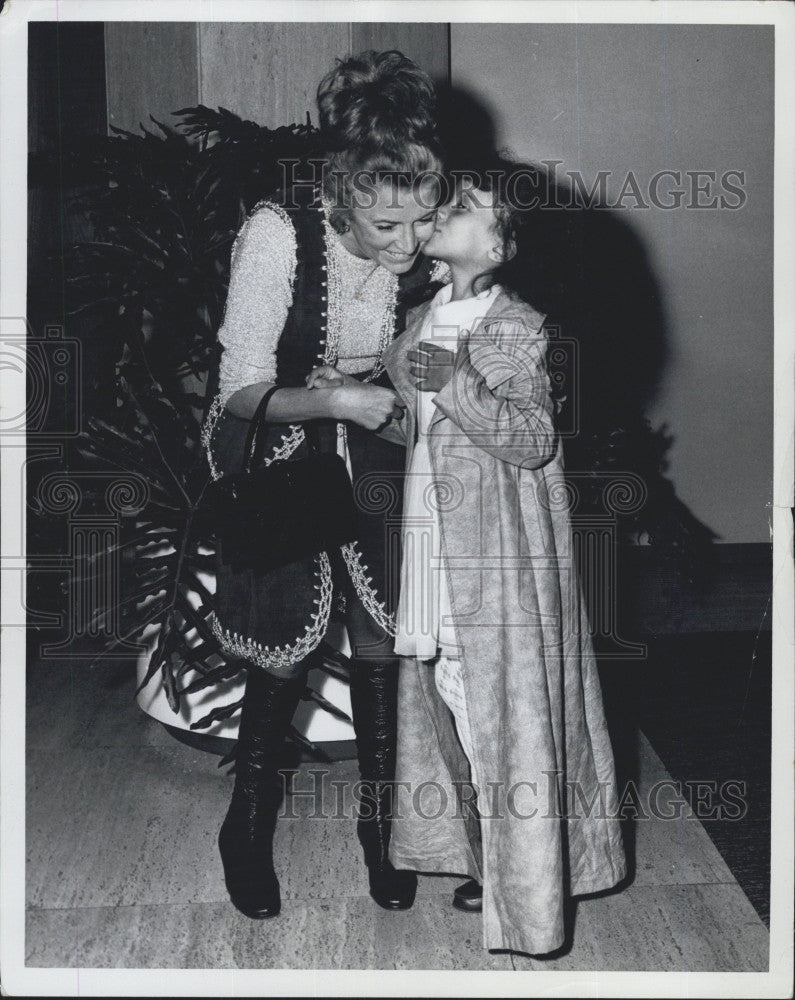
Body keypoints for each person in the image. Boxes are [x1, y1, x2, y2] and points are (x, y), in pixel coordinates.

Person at [202, 50, 444, 920]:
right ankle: (248, 827)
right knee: (288, 638)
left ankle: (381, 834)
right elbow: (240, 390)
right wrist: (341, 398)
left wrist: (424, 376)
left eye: (422, 221)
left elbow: (428, 348)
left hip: (370, 425)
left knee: (383, 632)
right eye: (388, 227)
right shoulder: (278, 234)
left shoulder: (414, 229)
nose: (409, 243)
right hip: (276, 430)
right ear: (340, 192)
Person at [371, 163, 626, 954]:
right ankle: (488, 856)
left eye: (466, 207)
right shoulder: (418, 317)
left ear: (504, 244)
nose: (443, 212)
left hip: (494, 559)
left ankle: (528, 895)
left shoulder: (516, 323)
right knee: (450, 702)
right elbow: (418, 435)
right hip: (432, 540)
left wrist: (455, 383)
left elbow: (530, 437)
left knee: (497, 719)